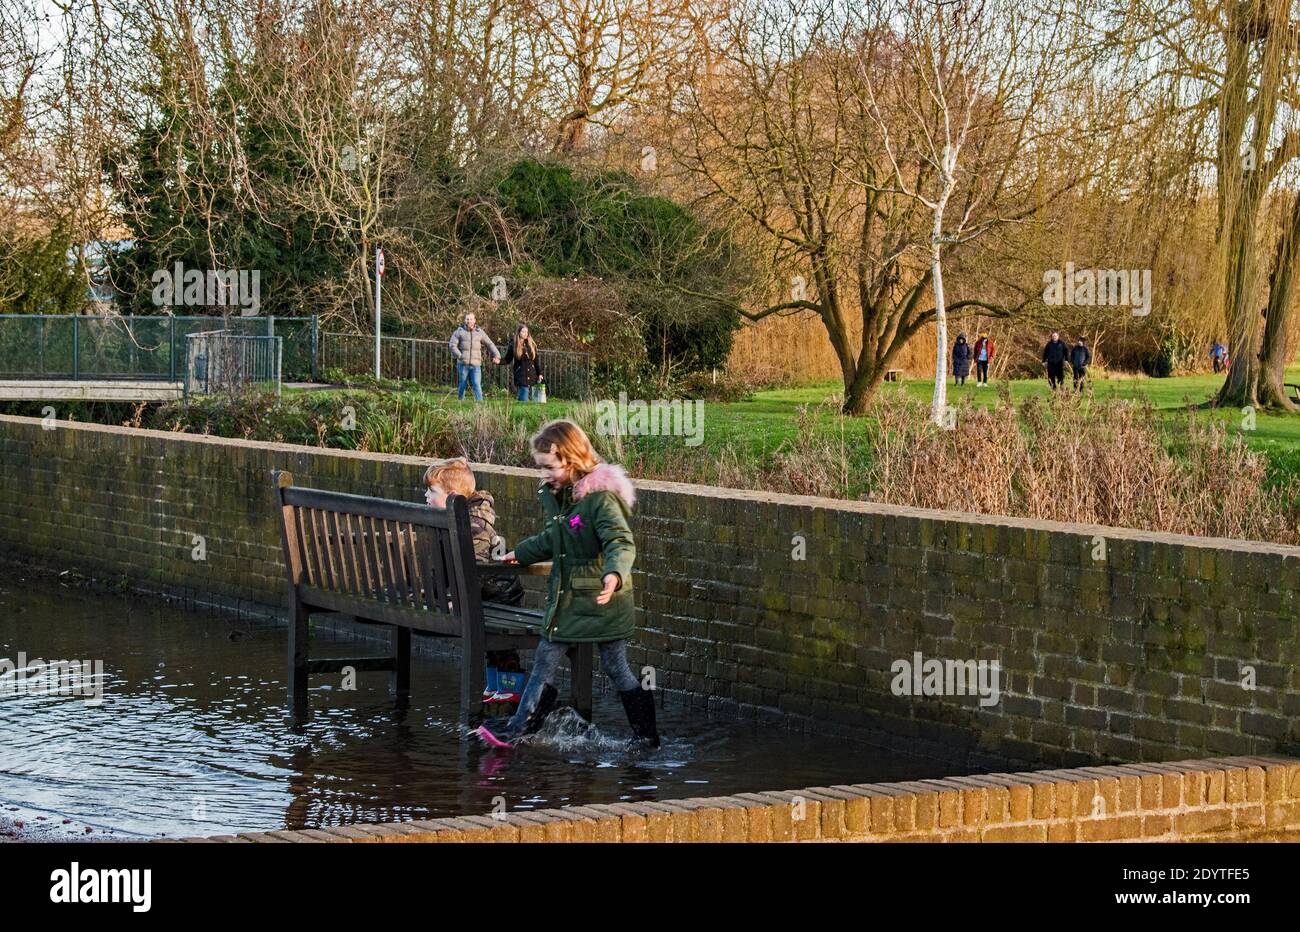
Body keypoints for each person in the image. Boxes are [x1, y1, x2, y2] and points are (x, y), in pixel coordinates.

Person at [479, 419, 658, 748]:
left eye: (549, 466)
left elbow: (620, 542)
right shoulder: (561, 497)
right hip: (569, 600)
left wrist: (614, 574)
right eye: (540, 467)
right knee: (545, 659)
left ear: (571, 458)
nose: (544, 474)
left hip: (602, 600)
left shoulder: (601, 500)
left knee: (616, 668)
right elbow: (555, 539)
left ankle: (646, 737)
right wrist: (521, 553)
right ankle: (520, 727)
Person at [424, 458, 526, 701]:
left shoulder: (475, 525)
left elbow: (475, 568)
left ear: (454, 496)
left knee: (502, 647)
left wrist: (456, 600)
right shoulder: (451, 519)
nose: (425, 495)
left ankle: (510, 691)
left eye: (431, 490)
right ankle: (494, 688)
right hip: (480, 594)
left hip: (499, 594)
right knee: (491, 648)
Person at [449, 312, 500, 401]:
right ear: (465, 320)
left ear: (475, 320)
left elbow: (489, 344)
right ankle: (460, 401)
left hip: (476, 364)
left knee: (476, 383)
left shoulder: (479, 332)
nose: (469, 321)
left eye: (471, 319)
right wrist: (460, 356)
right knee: (463, 384)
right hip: (463, 364)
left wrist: (497, 355)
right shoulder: (459, 331)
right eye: (467, 319)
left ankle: (479, 403)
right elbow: (452, 345)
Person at [499, 324, 544, 402]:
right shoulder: (513, 345)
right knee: (524, 392)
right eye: (523, 331)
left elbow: (536, 360)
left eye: (527, 332)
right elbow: (507, 359)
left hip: (531, 374)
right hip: (520, 374)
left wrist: (539, 373)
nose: (525, 333)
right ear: (519, 332)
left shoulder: (531, 345)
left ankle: (519, 407)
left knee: (523, 395)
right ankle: (523, 408)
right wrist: (499, 361)